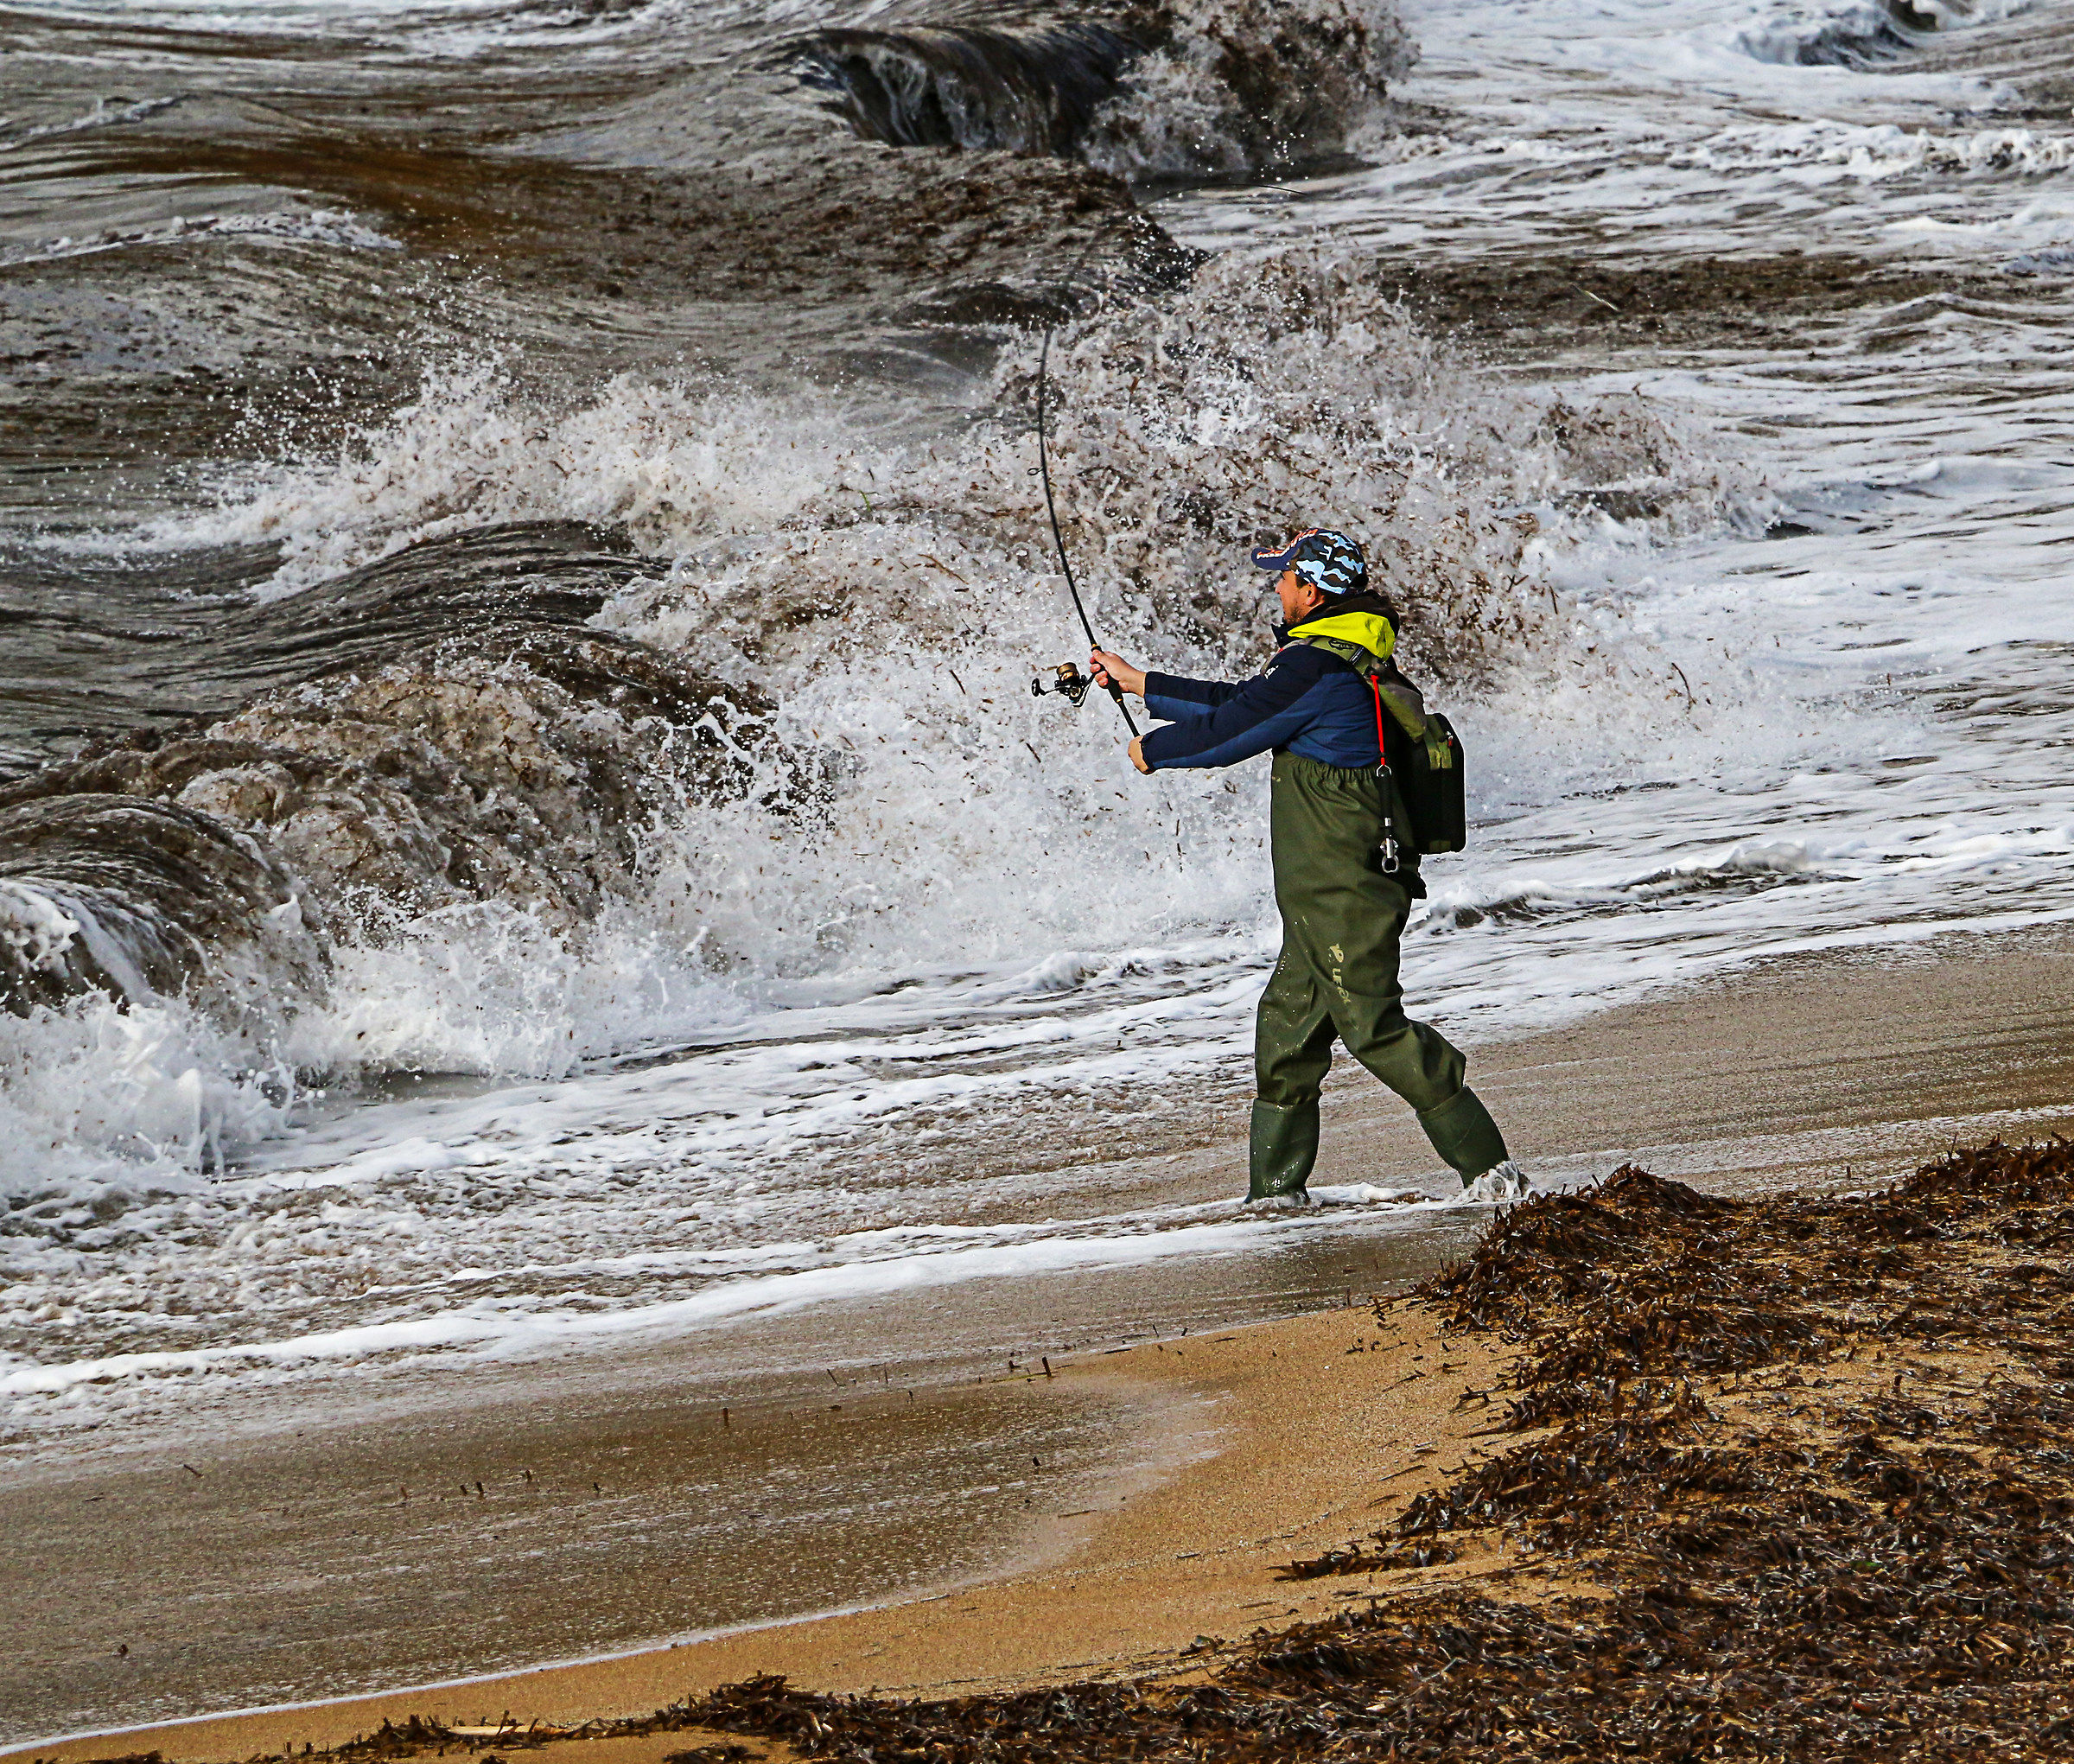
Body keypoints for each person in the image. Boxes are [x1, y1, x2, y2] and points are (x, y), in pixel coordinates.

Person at [1090, 527, 1524, 1206]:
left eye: (1285, 577)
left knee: (1373, 1027)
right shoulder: (1333, 659)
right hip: (1328, 891)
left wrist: (1156, 750)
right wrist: (1143, 683)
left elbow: (1232, 732)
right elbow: (1244, 705)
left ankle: (1495, 1176)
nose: (1277, 586)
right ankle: (1275, 1198)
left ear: (1312, 591)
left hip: (1345, 889)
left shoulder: (1316, 667)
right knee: (1287, 1033)